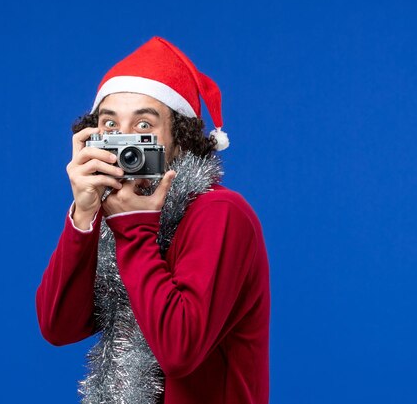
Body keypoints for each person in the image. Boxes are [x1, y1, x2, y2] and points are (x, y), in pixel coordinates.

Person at [36, 36, 270, 404]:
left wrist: (133, 230)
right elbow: (58, 326)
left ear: (181, 138)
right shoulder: (113, 211)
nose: (125, 141)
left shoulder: (220, 212)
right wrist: (83, 214)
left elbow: (179, 350)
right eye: (110, 126)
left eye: (144, 126)